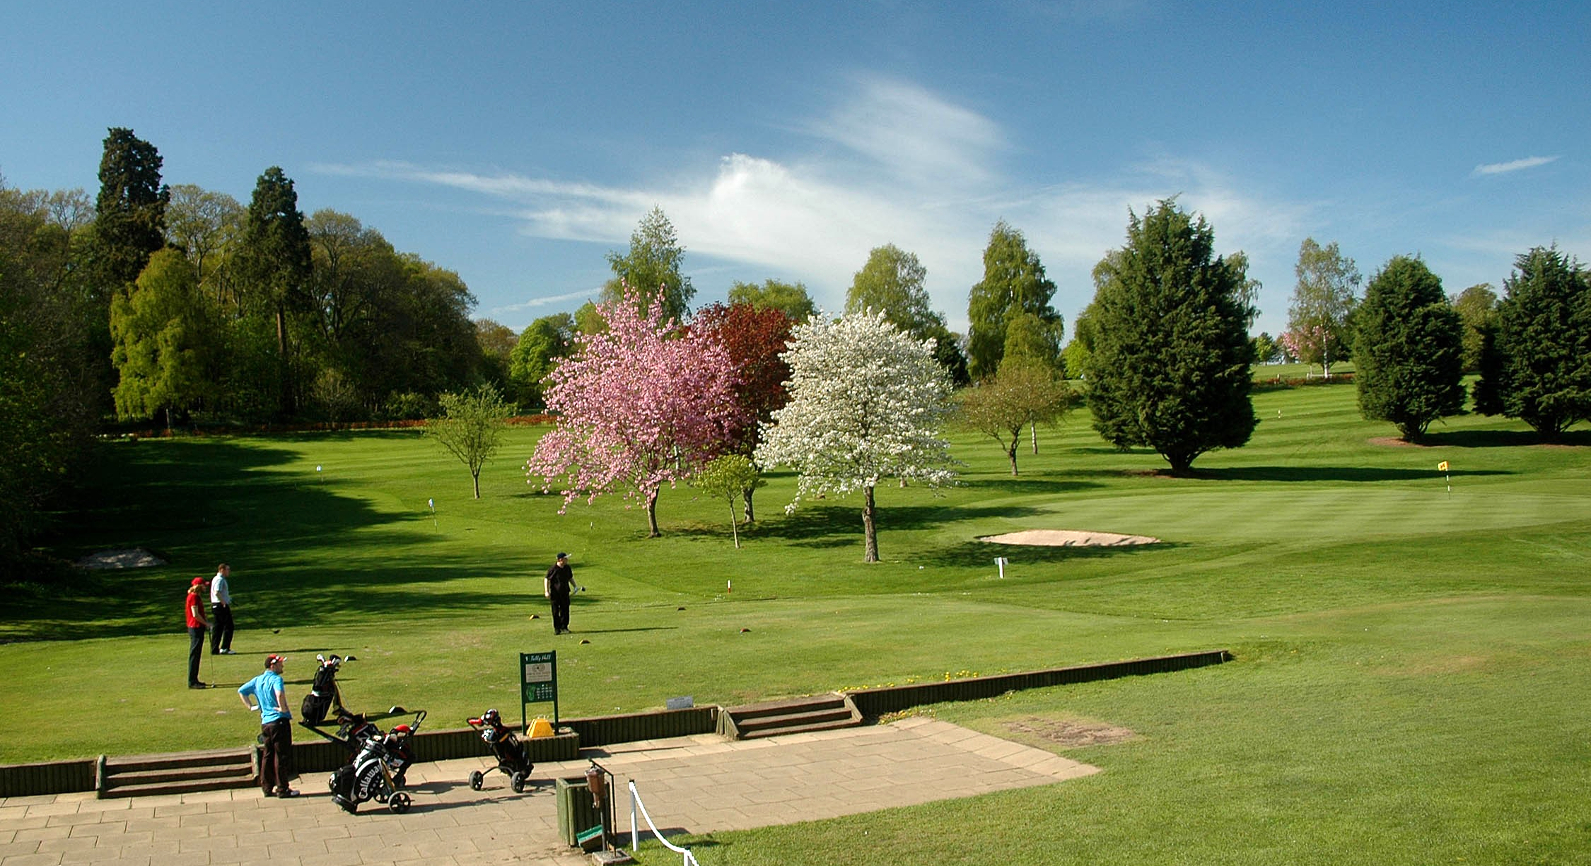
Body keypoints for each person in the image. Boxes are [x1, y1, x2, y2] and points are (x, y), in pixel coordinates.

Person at [239, 654, 300, 798]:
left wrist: (251, 706)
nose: (282, 666)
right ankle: (282, 789)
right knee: (281, 756)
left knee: (267, 754)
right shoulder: (276, 679)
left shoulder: (257, 680)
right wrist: (283, 708)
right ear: (272, 666)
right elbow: (279, 694)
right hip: (279, 722)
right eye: (280, 664)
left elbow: (241, 691)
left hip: (266, 723)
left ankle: (266, 787)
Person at [185, 577, 209, 689]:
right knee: (195, 654)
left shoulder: (196, 596)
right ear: (199, 586)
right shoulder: (194, 597)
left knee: (197, 654)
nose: (205, 587)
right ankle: (192, 681)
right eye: (204, 585)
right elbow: (195, 614)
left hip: (196, 627)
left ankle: (194, 679)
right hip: (196, 627)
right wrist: (206, 623)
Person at [543, 552, 574, 634]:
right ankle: (557, 628)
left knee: (565, 610)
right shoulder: (553, 569)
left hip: (565, 592)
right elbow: (547, 579)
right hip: (555, 594)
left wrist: (575, 586)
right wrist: (546, 591)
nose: (567, 560)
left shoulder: (567, 568)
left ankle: (564, 627)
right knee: (555, 611)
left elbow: (570, 578)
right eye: (565, 558)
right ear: (560, 560)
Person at [210, 563, 236, 655]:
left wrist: (228, 599)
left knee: (218, 627)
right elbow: (217, 592)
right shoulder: (219, 579)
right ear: (222, 570)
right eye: (227, 570)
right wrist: (223, 602)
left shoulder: (217, 579)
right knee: (229, 626)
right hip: (220, 605)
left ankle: (215, 648)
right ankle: (225, 648)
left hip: (217, 605)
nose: (229, 572)